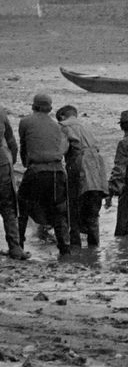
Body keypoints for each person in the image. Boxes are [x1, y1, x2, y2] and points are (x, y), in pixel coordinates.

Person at [17, 92, 69, 253]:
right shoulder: (57, 126)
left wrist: (27, 164)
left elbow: (24, 148)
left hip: (36, 171)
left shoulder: (25, 121)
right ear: (50, 109)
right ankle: (64, 248)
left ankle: (18, 245)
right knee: (59, 210)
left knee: (22, 205)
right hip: (57, 172)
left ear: (33, 106)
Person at [56, 105, 108, 248]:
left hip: (79, 164)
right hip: (97, 166)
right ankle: (94, 249)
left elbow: (61, 150)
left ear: (61, 116)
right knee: (93, 209)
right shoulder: (87, 126)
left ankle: (75, 247)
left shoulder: (63, 126)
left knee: (73, 206)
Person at [0, 102, 24, 259]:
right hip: (3, 163)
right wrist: (11, 161)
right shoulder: (0, 110)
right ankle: (15, 248)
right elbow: (12, 142)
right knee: (8, 206)